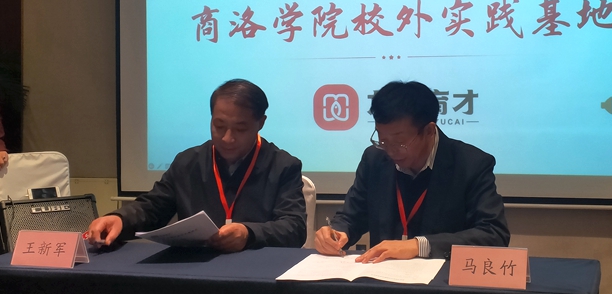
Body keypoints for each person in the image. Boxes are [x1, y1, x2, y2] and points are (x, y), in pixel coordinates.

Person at [88, 79, 306, 252]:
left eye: (240, 129)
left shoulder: (283, 166)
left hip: (256, 272)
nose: (227, 138)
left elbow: (294, 227)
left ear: (261, 123)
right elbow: (153, 207)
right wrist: (120, 219)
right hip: (194, 270)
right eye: (219, 126)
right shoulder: (188, 162)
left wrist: (249, 233)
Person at [315, 81, 510, 262]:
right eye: (383, 140)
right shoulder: (374, 159)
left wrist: (419, 246)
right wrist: (336, 233)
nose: (391, 151)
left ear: (429, 131)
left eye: (400, 142)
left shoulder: (470, 164)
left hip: (442, 279)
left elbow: (493, 233)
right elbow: (351, 216)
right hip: (381, 276)